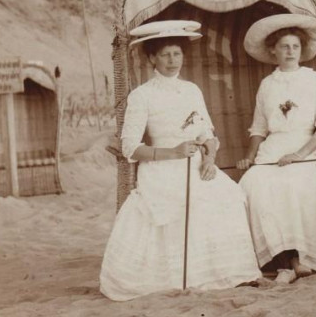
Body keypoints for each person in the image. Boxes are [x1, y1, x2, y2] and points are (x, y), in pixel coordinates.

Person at [99, 21, 261, 301]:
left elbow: (206, 133)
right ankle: (184, 279)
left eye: (177, 53)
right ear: (152, 58)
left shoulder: (191, 91)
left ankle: (225, 274)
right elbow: (130, 148)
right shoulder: (141, 96)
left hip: (196, 165)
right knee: (182, 206)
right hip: (161, 168)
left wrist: (210, 158)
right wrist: (173, 152)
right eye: (165, 54)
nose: (173, 60)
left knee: (229, 195)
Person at [237, 15, 316, 282]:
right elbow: (259, 128)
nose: (290, 52)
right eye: (284, 46)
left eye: (295, 47)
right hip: (272, 151)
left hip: (306, 150)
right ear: (273, 50)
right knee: (253, 184)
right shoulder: (267, 84)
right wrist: (249, 157)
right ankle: (285, 261)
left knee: (295, 185)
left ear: (302, 50)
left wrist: (300, 154)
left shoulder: (315, 80)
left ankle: (298, 259)